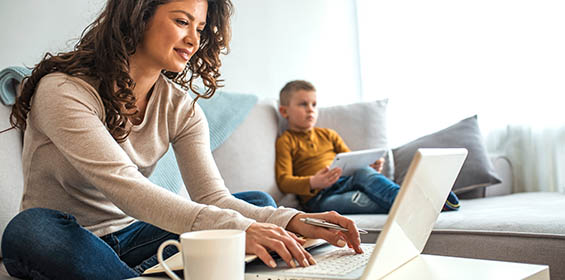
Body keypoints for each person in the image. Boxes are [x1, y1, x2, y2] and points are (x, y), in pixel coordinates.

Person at [0, 1, 363, 279]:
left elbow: (213, 198)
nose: (194, 39)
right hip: (65, 237)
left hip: (131, 238)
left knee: (255, 202)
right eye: (181, 21)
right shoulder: (64, 91)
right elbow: (126, 187)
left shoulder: (181, 108)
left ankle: (139, 273)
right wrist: (240, 229)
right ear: (138, 15)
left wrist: (292, 219)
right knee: (30, 231)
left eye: (201, 28)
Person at [275, 80, 461, 214]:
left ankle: (419, 201)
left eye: (314, 104)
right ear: (284, 111)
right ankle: (426, 202)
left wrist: (368, 166)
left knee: (364, 172)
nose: (310, 109)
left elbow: (351, 161)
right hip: (319, 199)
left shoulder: (328, 134)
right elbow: (283, 181)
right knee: (363, 201)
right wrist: (313, 183)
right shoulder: (286, 141)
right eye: (303, 104)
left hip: (346, 181)